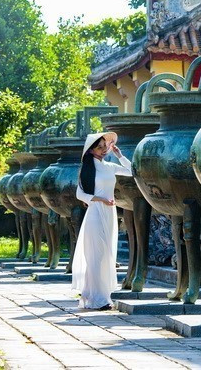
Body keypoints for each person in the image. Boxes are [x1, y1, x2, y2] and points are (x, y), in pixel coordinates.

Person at [71, 131, 131, 310]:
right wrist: (101, 199)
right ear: (90, 151)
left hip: (109, 213)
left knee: (106, 255)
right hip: (96, 213)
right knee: (96, 255)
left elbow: (131, 171)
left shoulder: (110, 166)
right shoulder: (88, 169)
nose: (104, 150)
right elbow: (80, 194)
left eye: (105, 146)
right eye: (100, 147)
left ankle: (95, 294)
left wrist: (119, 155)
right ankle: (99, 299)